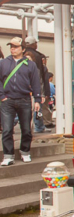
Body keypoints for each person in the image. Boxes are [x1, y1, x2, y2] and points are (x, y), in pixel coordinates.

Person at [0, 37, 41, 165]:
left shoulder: (31, 64)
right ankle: (8, 155)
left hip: (24, 99)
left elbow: (35, 83)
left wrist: (37, 99)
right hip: (7, 100)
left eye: (16, 46)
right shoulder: (3, 63)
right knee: (7, 129)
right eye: (11, 46)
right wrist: (2, 96)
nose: (12, 49)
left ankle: (25, 152)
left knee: (26, 129)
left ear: (23, 49)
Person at [24, 36, 51, 133]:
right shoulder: (38, 57)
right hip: (35, 89)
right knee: (37, 109)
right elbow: (40, 78)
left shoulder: (20, 55)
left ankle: (16, 125)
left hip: (22, 90)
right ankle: (39, 127)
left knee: (25, 110)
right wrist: (43, 92)